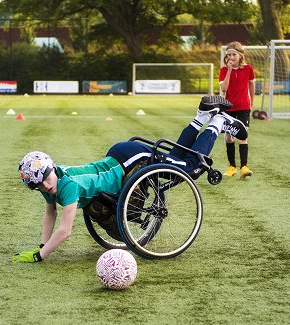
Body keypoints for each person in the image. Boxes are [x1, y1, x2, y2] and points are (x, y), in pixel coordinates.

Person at [13, 96, 247, 263]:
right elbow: (50, 212)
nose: (44, 184)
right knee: (173, 160)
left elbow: (65, 231)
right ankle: (202, 116)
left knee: (189, 169)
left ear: (51, 167)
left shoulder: (68, 187)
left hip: (130, 161)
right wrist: (42, 245)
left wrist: (39, 256)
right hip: (119, 157)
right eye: (37, 184)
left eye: (45, 177)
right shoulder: (50, 183)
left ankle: (218, 123)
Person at [219, 41, 255, 178]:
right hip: (228, 108)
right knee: (229, 136)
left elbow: (251, 86)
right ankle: (232, 166)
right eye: (228, 55)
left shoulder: (248, 69)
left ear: (240, 55)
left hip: (244, 107)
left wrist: (252, 102)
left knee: (243, 135)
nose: (231, 58)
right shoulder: (223, 70)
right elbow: (224, 89)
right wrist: (228, 70)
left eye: (233, 54)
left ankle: (244, 167)